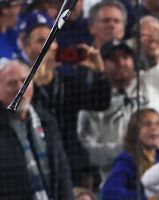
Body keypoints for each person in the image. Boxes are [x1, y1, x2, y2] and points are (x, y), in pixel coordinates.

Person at [77, 32, 159, 178]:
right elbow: (88, 151)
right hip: (117, 175)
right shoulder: (93, 99)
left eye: (125, 57)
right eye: (113, 59)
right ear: (101, 64)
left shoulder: (150, 81)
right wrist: (128, 150)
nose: (121, 63)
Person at [18, 10, 112, 187]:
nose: (49, 46)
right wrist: (36, 79)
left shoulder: (67, 82)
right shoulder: (17, 83)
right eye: (41, 41)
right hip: (34, 164)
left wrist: (100, 73)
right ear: (25, 47)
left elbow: (101, 103)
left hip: (71, 165)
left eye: (51, 40)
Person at [0, 59, 74, 200]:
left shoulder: (47, 121)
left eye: (25, 81)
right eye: (12, 83)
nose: (20, 88)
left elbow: (62, 166)